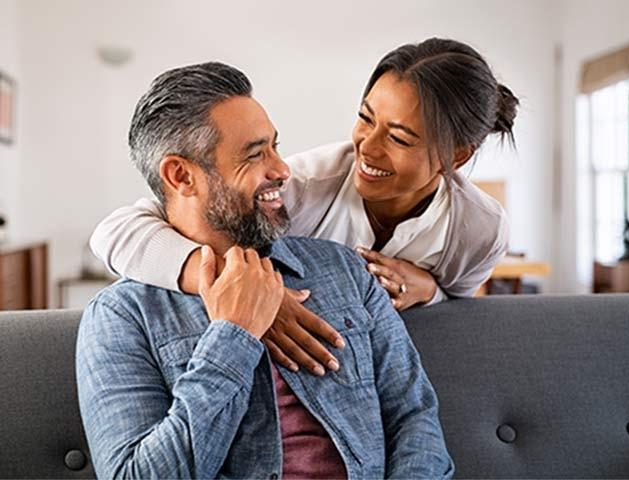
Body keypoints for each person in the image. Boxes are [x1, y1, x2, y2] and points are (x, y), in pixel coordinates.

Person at [76, 61, 453, 479]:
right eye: (256, 154)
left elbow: (414, 417)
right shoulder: (121, 316)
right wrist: (232, 336)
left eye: (275, 146)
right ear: (181, 175)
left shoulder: (345, 269)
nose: (282, 169)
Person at [90, 37, 517, 375]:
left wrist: (431, 291)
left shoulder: (479, 230)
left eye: (400, 138)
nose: (366, 146)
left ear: (456, 156)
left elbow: (459, 314)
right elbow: (115, 233)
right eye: (365, 118)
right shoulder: (305, 185)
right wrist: (245, 290)